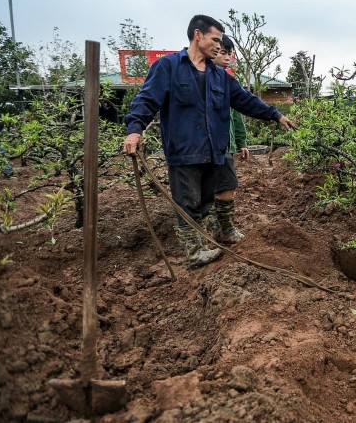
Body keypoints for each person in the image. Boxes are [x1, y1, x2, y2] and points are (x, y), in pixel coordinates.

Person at [123, 14, 295, 267]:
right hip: (184, 149)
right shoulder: (169, 67)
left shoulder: (220, 76)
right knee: (187, 202)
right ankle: (193, 254)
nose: (218, 44)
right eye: (215, 39)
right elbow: (147, 100)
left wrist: (275, 114)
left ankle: (204, 245)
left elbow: (245, 100)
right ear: (197, 35)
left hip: (214, 149)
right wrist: (135, 129)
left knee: (205, 201)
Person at [208, 35, 248, 244]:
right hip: (207, 144)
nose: (226, 58)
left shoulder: (228, 82)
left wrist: (241, 142)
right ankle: (222, 228)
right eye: (222, 52)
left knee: (226, 184)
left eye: (229, 54)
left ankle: (222, 227)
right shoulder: (202, 79)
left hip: (226, 145)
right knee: (218, 186)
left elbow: (237, 115)